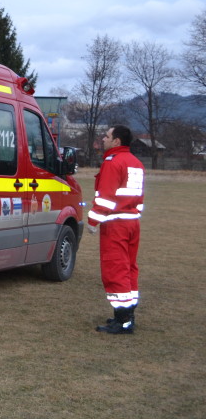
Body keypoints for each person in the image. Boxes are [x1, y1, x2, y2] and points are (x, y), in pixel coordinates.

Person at [88, 125, 145, 334]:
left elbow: (106, 197)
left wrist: (93, 220)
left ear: (117, 141)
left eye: (107, 136)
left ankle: (122, 320)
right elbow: (138, 198)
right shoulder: (136, 163)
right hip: (132, 223)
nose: (103, 139)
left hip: (116, 225)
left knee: (115, 268)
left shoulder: (113, 163)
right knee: (129, 267)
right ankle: (128, 315)